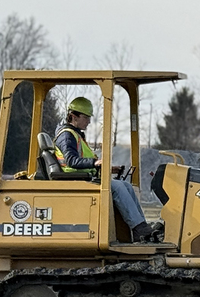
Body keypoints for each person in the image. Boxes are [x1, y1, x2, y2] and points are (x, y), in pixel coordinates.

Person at [54, 97, 156, 242]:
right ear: (73, 116)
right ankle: (139, 228)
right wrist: (95, 162)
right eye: (86, 117)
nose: (89, 121)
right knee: (117, 186)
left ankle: (141, 227)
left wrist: (105, 167)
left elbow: (80, 160)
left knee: (126, 185)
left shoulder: (74, 134)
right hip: (75, 178)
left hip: (83, 176)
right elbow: (71, 161)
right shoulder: (66, 136)